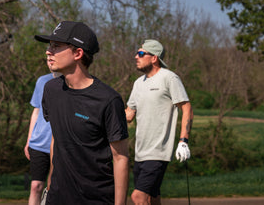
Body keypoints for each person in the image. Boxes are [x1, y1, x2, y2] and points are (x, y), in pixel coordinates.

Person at [34, 21, 129, 205]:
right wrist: (50, 187)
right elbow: (56, 139)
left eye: (56, 46)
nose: (48, 51)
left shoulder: (109, 100)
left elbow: (120, 157)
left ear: (78, 53)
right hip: (57, 197)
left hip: (96, 199)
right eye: (49, 45)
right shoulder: (50, 90)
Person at [125, 39, 193, 205]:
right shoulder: (138, 83)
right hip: (140, 152)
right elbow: (128, 114)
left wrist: (183, 141)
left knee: (138, 197)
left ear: (154, 58)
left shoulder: (169, 78)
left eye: (141, 53)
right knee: (152, 197)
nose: (136, 56)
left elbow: (187, 108)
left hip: (158, 151)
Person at [24, 60, 60, 205]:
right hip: (39, 144)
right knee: (35, 186)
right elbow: (36, 111)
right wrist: (28, 141)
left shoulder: (71, 83)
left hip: (59, 146)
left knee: (54, 189)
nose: (49, 58)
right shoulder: (42, 81)